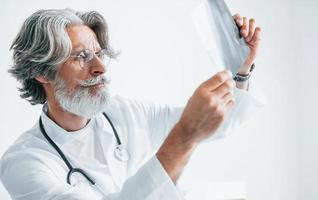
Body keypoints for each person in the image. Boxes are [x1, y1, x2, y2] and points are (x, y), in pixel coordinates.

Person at [0, 9, 263, 200]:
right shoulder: (24, 163)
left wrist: (240, 70)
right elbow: (191, 128)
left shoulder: (126, 113)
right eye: (82, 56)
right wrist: (184, 135)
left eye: (99, 54)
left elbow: (215, 123)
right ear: (42, 72)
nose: (100, 67)